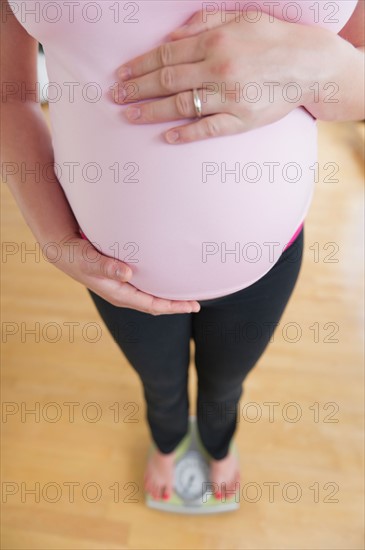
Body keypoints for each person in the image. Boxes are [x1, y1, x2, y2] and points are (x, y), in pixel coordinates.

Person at [2, 0, 364, 503]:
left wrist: (332, 69)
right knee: (159, 382)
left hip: (265, 264)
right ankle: (167, 442)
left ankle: (219, 445)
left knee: (225, 385)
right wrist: (53, 239)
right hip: (117, 272)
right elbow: (8, 96)